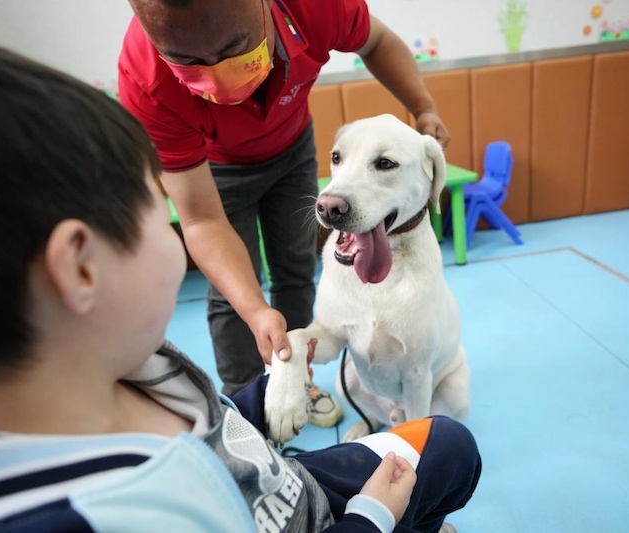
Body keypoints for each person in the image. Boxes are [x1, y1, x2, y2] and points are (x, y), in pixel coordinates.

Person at [0, 37, 480, 532]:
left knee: (451, 440)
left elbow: (214, 421)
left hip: (271, 469)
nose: (191, 226)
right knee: (440, 462)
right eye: (164, 212)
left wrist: (281, 378)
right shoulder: (108, 513)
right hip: (308, 516)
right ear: (81, 267)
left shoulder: (137, 363)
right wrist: (370, 517)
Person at [117, 0, 453, 414]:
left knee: (296, 268)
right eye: (186, 61)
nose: (218, 79)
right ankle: (245, 403)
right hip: (213, 167)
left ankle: (299, 386)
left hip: (291, 147)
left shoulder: (314, 7)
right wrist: (257, 312)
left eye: (236, 48)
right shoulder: (144, 81)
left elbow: (377, 40)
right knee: (232, 295)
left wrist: (424, 107)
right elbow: (201, 219)